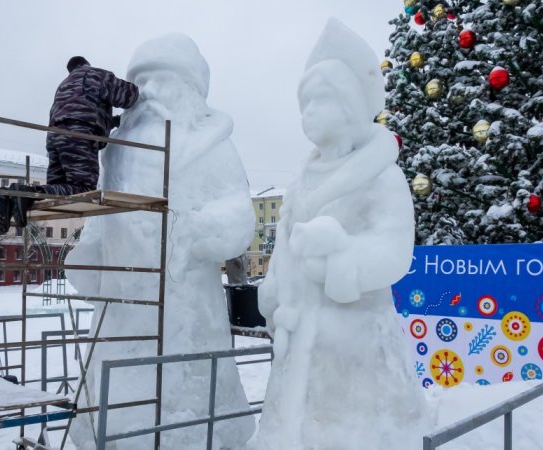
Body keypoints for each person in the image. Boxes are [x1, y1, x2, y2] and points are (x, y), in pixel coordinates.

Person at [66, 35, 255, 450]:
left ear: (190, 90)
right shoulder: (115, 151)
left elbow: (239, 214)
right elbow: (105, 209)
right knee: (116, 393)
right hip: (122, 305)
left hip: (185, 303)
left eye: (161, 79)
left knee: (186, 397)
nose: (148, 92)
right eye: (141, 80)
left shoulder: (213, 147)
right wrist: (91, 248)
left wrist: (200, 232)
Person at [253, 19, 430, 449]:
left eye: (320, 101)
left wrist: (339, 256)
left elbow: (393, 251)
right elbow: (286, 249)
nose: (308, 112)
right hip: (298, 344)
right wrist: (274, 287)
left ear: (350, 106)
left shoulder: (382, 178)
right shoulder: (299, 184)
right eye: (304, 104)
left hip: (357, 345)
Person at [0, 56, 140, 233]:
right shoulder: (94, 75)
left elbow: (82, 110)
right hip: (78, 136)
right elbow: (128, 96)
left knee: (57, 194)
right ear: (86, 65)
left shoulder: (63, 86)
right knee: (82, 190)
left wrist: (113, 121)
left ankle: (11, 195)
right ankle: (24, 192)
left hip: (56, 137)